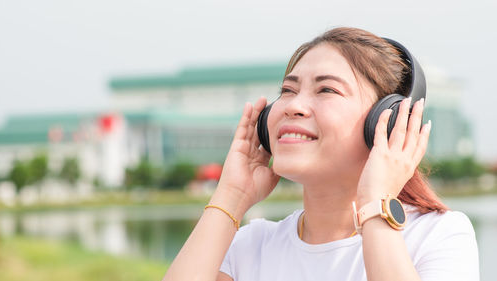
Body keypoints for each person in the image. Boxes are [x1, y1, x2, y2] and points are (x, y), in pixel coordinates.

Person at [162, 27, 479, 281]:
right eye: (288, 91)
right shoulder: (250, 245)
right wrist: (231, 195)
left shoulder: (439, 235)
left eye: (326, 90)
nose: (293, 106)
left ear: (390, 119)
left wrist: (377, 202)